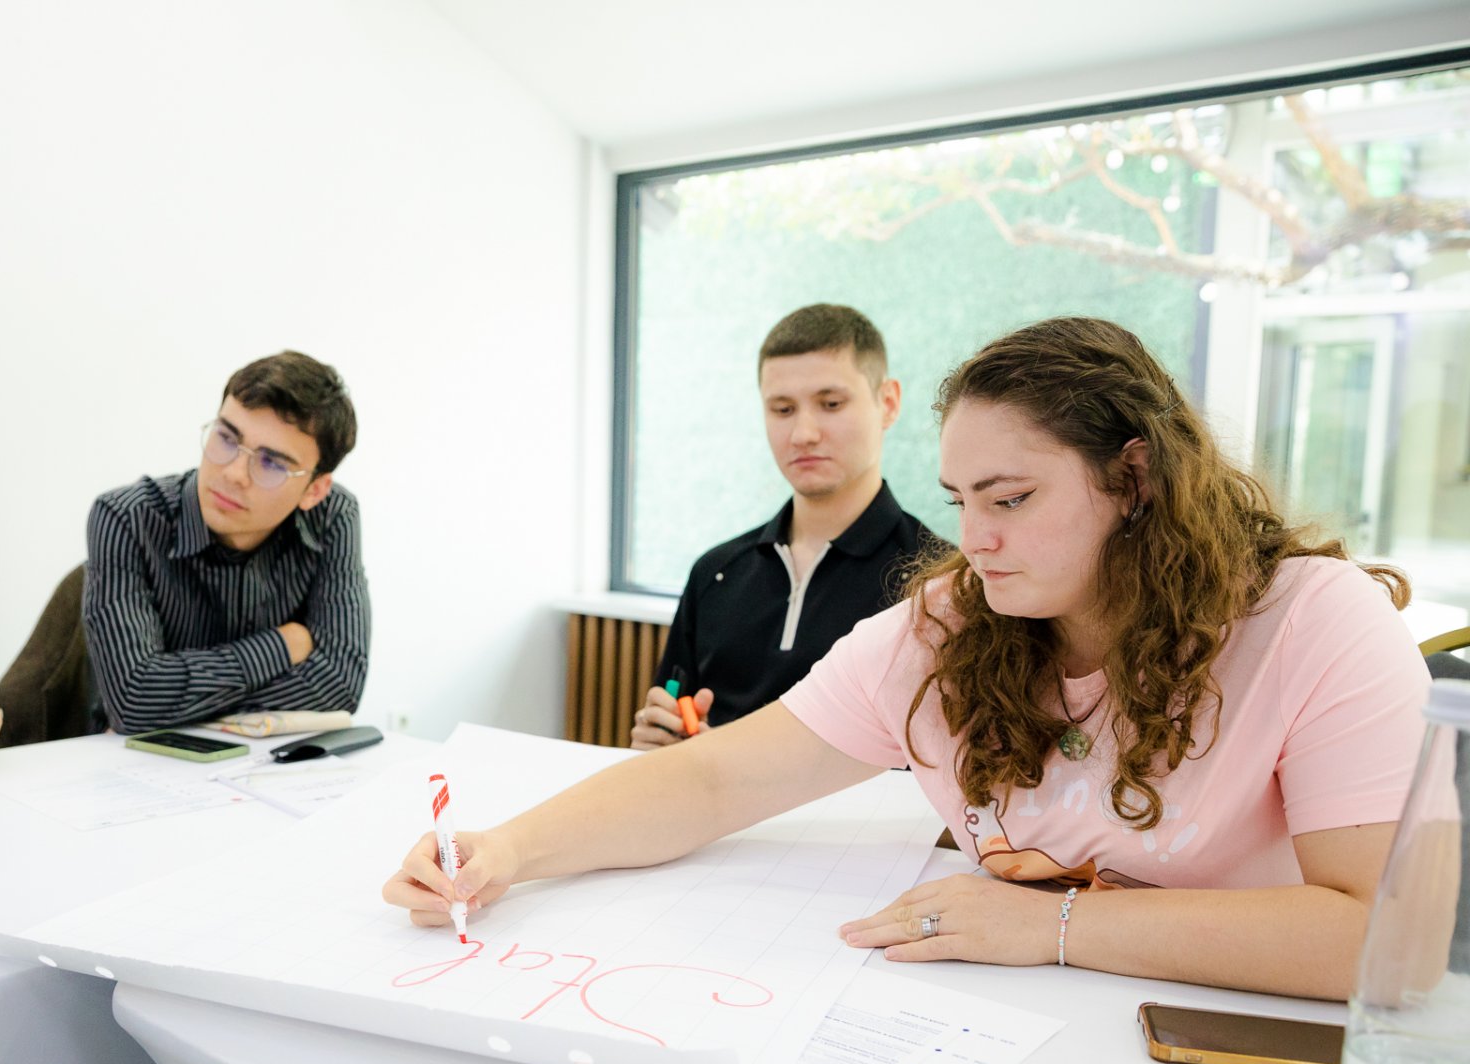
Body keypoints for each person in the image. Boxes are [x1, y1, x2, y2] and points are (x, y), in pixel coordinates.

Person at [388, 317, 1430, 1002]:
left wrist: (1052, 927)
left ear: (1135, 478)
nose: (974, 541)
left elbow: (1395, 941)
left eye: (1012, 500)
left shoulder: (1318, 624)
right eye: (960, 502)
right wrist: (509, 851)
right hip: (1004, 1030)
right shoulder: (947, 628)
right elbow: (712, 778)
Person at [633, 304, 945, 750]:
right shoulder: (715, 573)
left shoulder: (937, 583)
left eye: (831, 404)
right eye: (782, 409)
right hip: (713, 815)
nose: (803, 433)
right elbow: (671, 713)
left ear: (888, 403)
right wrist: (660, 740)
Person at [83, 350, 369, 733]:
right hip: (136, 765)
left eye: (271, 463)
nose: (234, 472)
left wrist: (178, 698)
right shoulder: (127, 517)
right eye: (227, 438)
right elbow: (134, 701)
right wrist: (283, 646)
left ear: (314, 491)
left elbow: (340, 686)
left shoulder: (332, 517)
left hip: (266, 769)